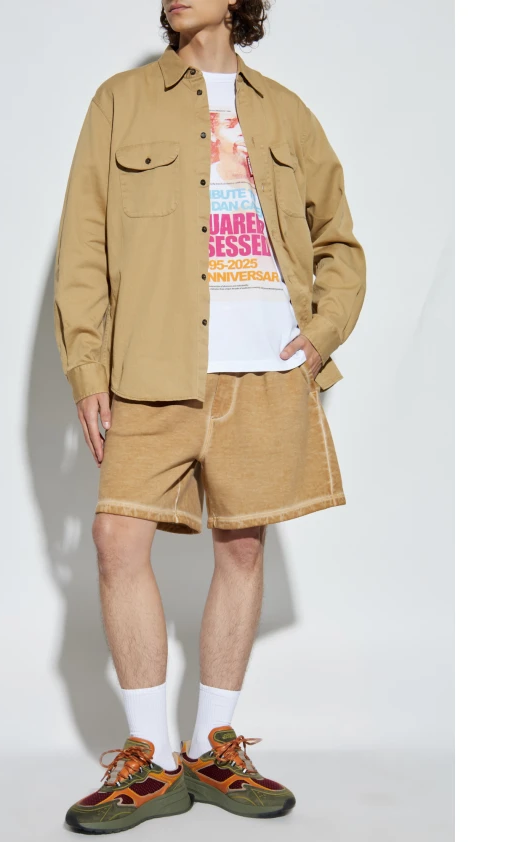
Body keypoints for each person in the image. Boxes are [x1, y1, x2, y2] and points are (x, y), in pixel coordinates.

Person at [54, 0, 366, 833]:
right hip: (152, 363)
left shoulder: (286, 113)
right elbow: (83, 245)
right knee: (117, 539)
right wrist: (86, 366)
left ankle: (211, 746)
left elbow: (338, 242)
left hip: (264, 367)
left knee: (241, 545)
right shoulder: (119, 102)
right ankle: (150, 758)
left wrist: (322, 331)